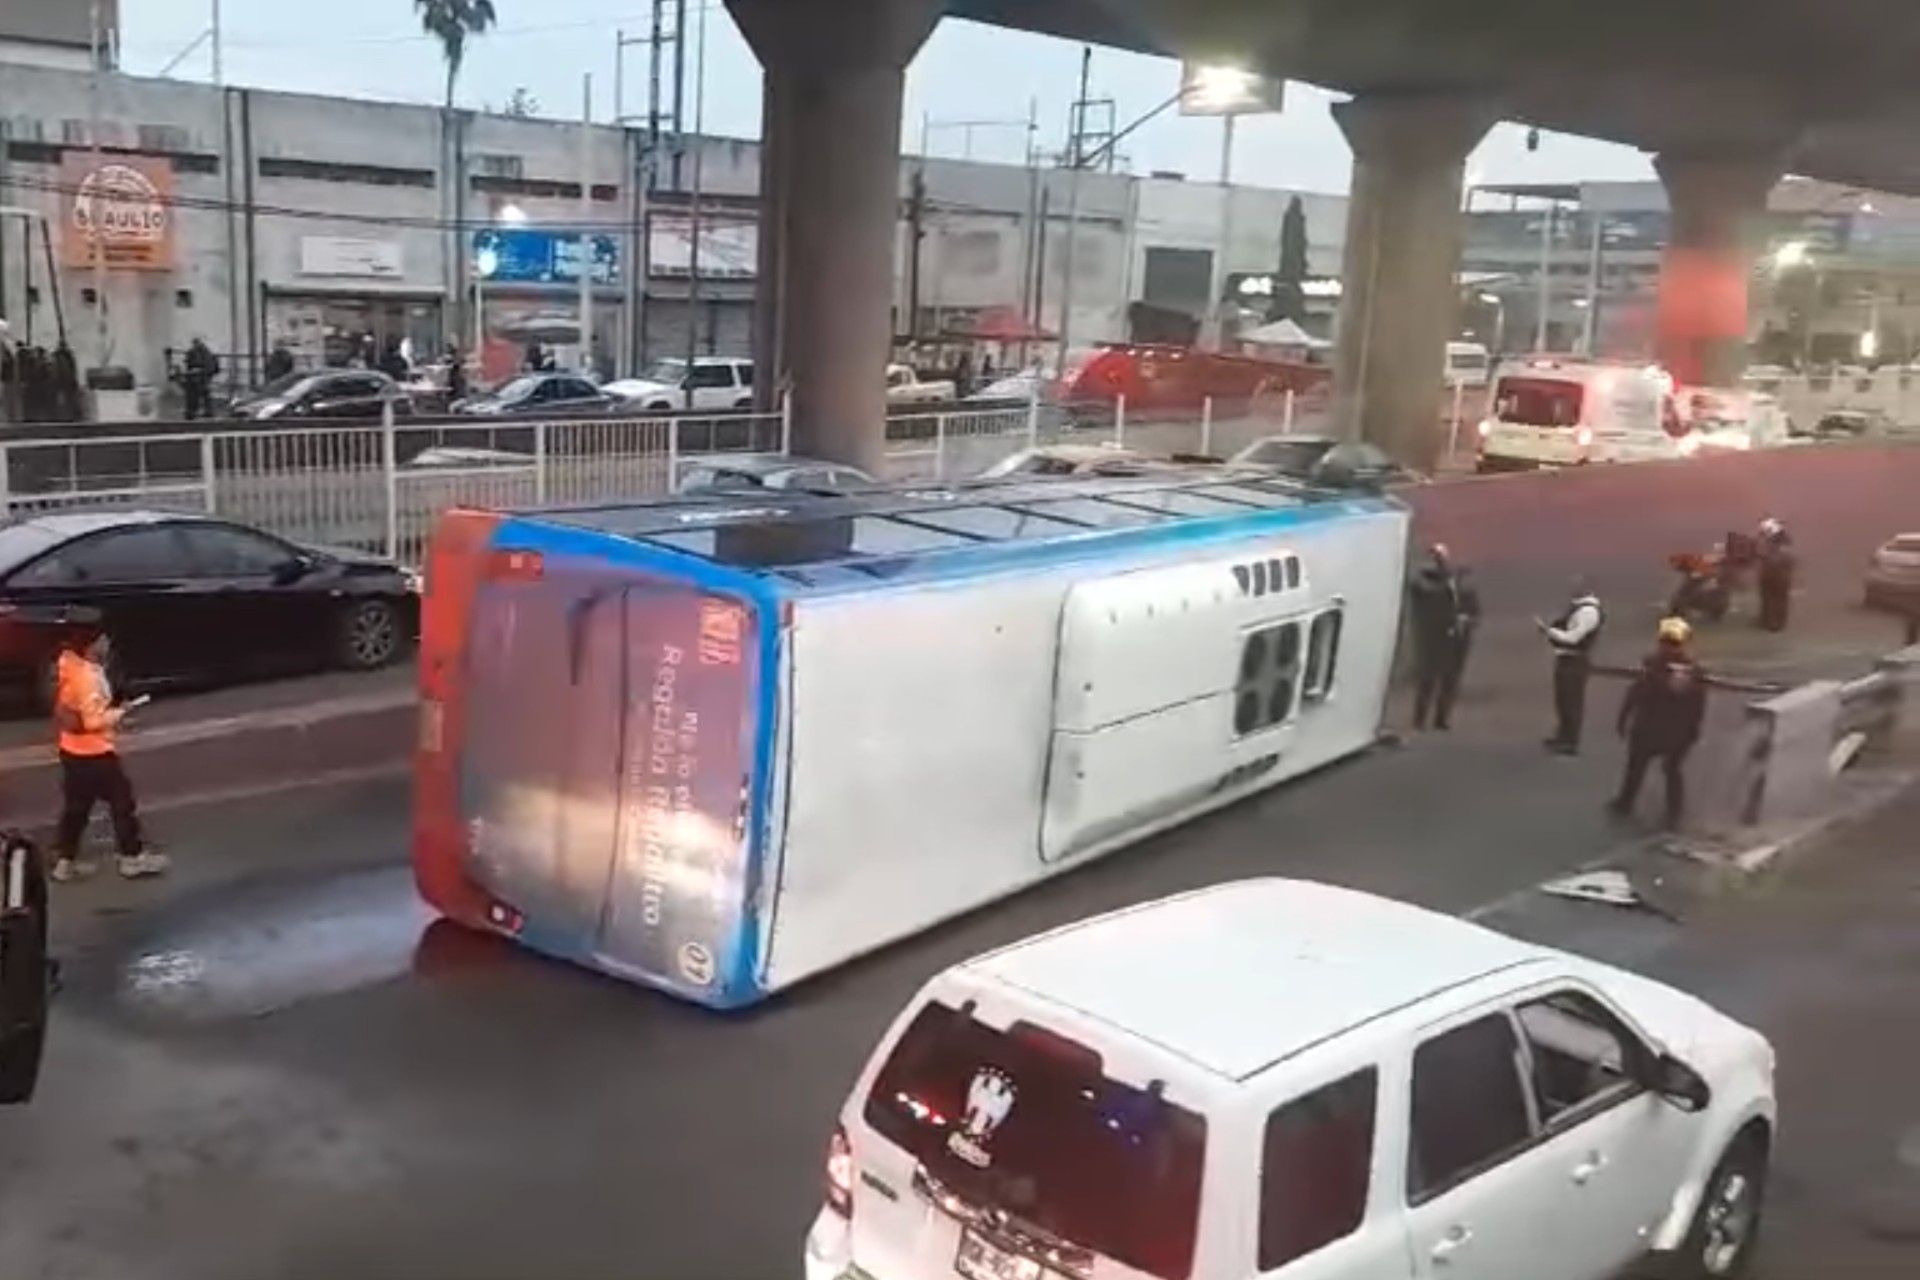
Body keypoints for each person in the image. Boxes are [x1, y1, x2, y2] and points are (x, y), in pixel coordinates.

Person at [48, 615, 168, 883]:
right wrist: (119, 713)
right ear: (91, 644)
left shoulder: (69, 662)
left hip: (71, 750)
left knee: (77, 807)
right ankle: (132, 857)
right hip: (96, 753)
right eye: (103, 639)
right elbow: (92, 720)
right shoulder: (89, 678)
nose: (107, 644)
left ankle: (65, 862)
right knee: (122, 802)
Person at [1610, 616, 1710, 830]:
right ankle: (1674, 813)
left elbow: (1636, 693)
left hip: (1649, 726)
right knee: (1672, 770)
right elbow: (1699, 704)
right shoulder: (1695, 671)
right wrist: (1694, 730)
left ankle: (1626, 803)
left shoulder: (1653, 665)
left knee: (1637, 766)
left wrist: (1623, 717)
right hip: (1677, 730)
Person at [1407, 542, 1480, 731]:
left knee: (1450, 680)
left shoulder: (1462, 588)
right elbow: (1421, 590)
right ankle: (1420, 718)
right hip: (1434, 639)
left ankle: (1441, 718)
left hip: (1458, 640)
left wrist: (1467, 620)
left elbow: (1474, 611)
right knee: (1428, 680)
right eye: (1437, 559)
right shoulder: (1425, 584)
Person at [1536, 577, 1605, 756]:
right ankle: (1563, 736)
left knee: (1571, 702)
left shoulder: (1588, 612)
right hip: (1567, 659)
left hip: (1574, 661)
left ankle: (1570, 742)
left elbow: (1573, 637)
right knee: (1563, 701)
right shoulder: (1578, 608)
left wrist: (1549, 631)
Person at [1755, 516, 1794, 632]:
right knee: (1773, 599)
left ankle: (1773, 622)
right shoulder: (1776, 540)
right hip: (1774, 575)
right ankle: (1771, 621)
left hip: (1775, 575)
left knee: (1774, 599)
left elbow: (1784, 559)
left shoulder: (1778, 542)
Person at [182, 337, 220, 421]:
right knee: (205, 394)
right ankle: (207, 411)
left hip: (199, 377)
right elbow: (213, 367)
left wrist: (196, 370)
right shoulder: (207, 352)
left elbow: (190, 364)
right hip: (204, 377)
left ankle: (192, 412)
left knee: (194, 394)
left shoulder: (197, 352)